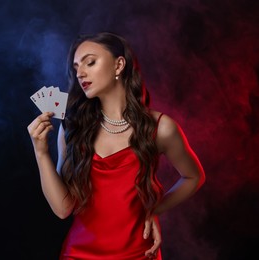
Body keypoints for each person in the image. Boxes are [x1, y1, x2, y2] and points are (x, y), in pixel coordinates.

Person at [27, 32, 205, 260]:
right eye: (76, 67)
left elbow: (193, 177)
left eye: (90, 62)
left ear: (119, 65)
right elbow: (63, 209)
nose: (80, 73)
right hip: (79, 254)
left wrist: (155, 209)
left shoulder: (160, 127)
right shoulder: (72, 128)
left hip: (138, 253)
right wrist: (41, 152)